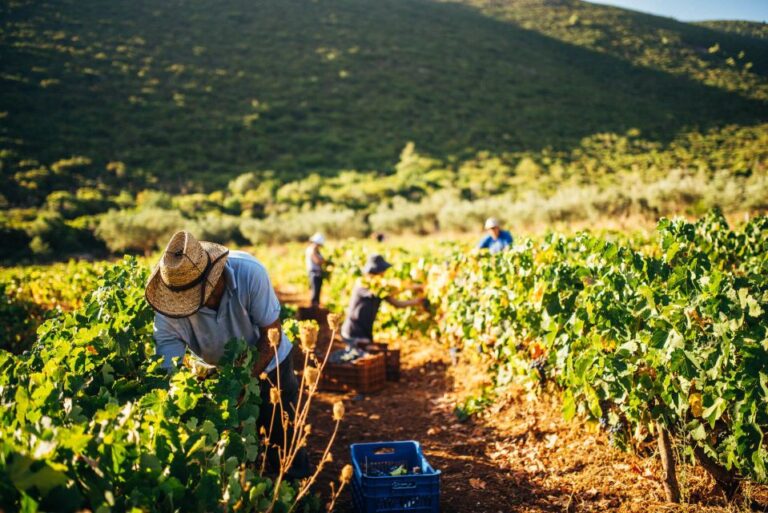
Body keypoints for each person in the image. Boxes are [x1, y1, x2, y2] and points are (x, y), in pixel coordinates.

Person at [145, 231, 310, 479]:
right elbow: (170, 368)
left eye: (199, 296)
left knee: (282, 428)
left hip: (270, 360)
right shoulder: (169, 304)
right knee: (239, 440)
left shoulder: (249, 272)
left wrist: (244, 380)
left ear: (216, 273)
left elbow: (271, 334)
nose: (195, 304)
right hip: (218, 369)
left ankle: (297, 486)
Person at [340, 254, 426, 346]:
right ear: (376, 271)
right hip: (353, 332)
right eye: (383, 271)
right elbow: (390, 289)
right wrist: (413, 287)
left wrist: (417, 301)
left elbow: (397, 304)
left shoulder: (380, 289)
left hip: (364, 332)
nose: (384, 273)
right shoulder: (363, 284)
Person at [305, 233, 325, 307]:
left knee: (317, 292)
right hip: (314, 273)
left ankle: (316, 308)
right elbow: (318, 261)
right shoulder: (311, 250)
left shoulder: (316, 250)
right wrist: (323, 261)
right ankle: (313, 309)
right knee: (315, 292)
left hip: (318, 273)